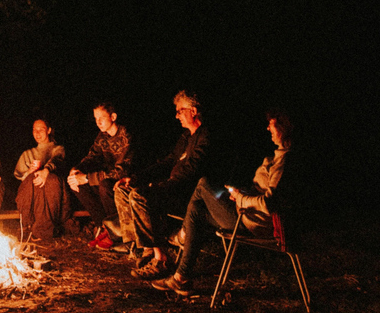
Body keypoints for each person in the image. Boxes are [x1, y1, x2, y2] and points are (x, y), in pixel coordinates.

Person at [151, 110, 294, 295]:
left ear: (284, 127)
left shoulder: (284, 160)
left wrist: (241, 197)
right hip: (246, 213)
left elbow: (269, 203)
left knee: (203, 184)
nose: (268, 128)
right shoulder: (278, 156)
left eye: (272, 124)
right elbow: (263, 193)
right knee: (197, 210)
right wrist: (241, 192)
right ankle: (181, 277)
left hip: (252, 222)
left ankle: (183, 236)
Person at [122, 90, 210, 280]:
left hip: (186, 194)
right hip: (172, 188)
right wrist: (137, 177)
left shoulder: (205, 138)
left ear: (193, 111)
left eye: (180, 110)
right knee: (124, 189)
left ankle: (161, 259)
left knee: (140, 196)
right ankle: (146, 249)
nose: (176, 115)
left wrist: (163, 186)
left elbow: (193, 171)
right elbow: (168, 161)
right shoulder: (186, 137)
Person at [68, 102, 133, 249]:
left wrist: (86, 178)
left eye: (102, 118)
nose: (98, 122)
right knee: (76, 184)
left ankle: (116, 232)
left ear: (113, 117)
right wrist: (77, 169)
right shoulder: (102, 136)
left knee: (104, 185)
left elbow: (121, 171)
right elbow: (93, 156)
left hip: (125, 182)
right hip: (106, 180)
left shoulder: (126, 136)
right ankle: (102, 226)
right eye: (95, 118)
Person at [13, 119, 69, 240]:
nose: (37, 133)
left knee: (51, 180)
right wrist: (29, 172)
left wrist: (46, 171)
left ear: (48, 130)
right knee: (31, 179)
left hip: (52, 191)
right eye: (34, 130)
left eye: (41, 129)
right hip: (31, 192)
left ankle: (44, 229)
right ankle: (29, 225)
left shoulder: (57, 149)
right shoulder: (28, 154)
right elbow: (19, 176)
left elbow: (57, 160)